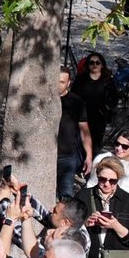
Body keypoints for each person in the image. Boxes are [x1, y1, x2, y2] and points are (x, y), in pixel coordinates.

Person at [56, 67, 91, 200]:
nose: (58, 85)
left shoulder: (76, 102)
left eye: (62, 82)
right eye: (56, 81)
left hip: (67, 156)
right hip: (45, 153)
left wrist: (88, 156)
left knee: (66, 195)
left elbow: (84, 130)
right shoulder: (44, 101)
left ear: (68, 83)